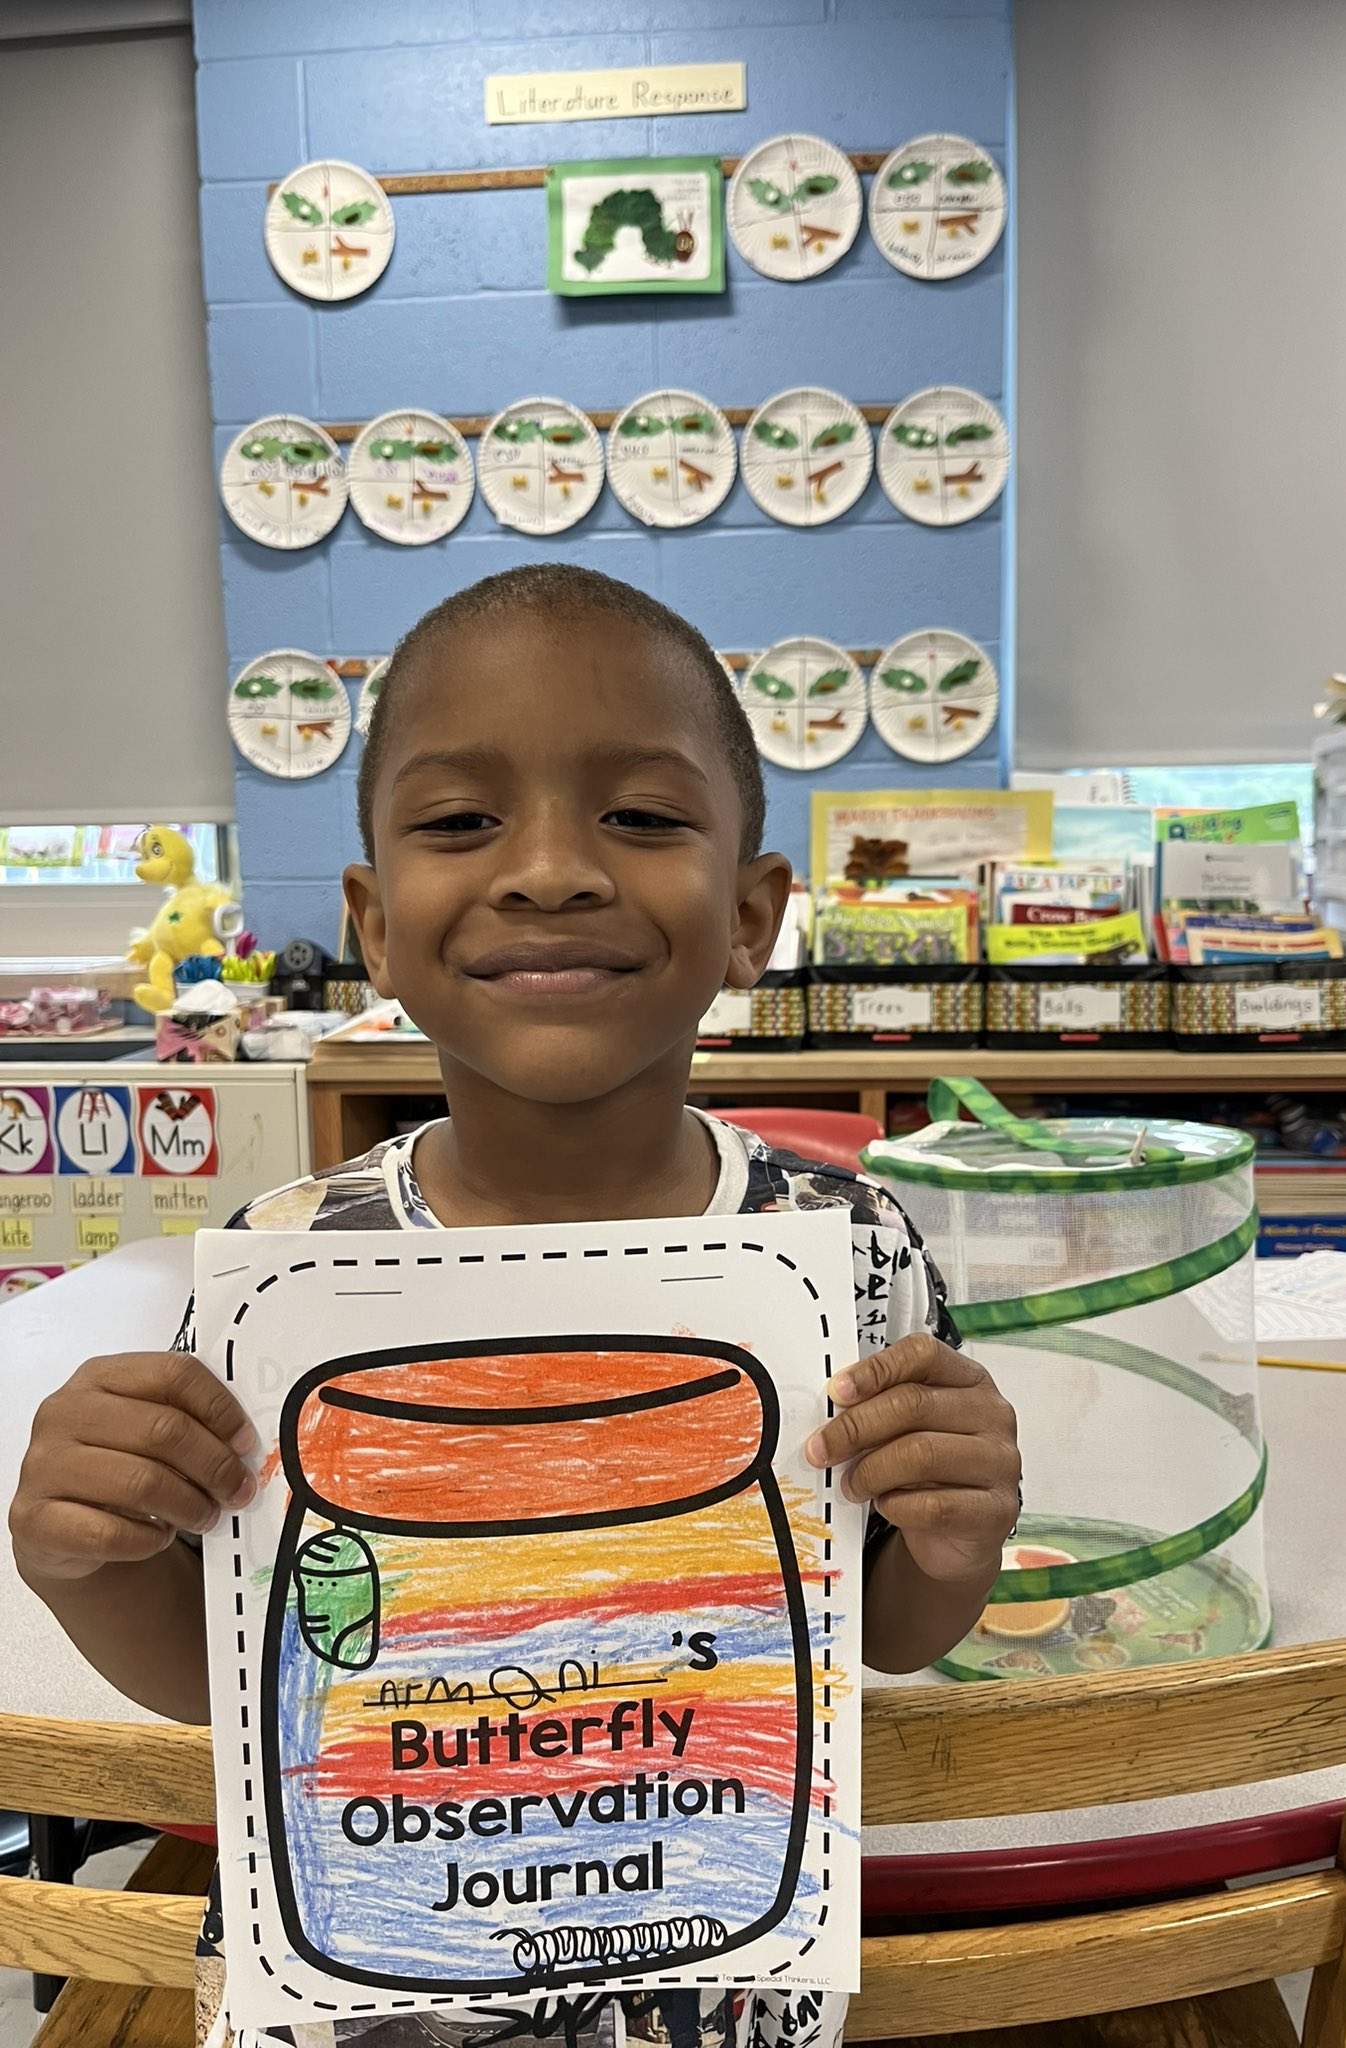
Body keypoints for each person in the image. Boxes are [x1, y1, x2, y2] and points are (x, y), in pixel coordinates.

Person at [9, 565, 1021, 2048]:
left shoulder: (850, 1248)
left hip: (717, 1975)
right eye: (459, 821)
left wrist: (960, 1530)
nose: (550, 871)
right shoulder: (287, 1271)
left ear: (752, 916)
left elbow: (883, 1625)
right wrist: (83, 1560)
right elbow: (231, 1670)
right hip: (362, 1984)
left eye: (644, 816)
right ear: (373, 923)